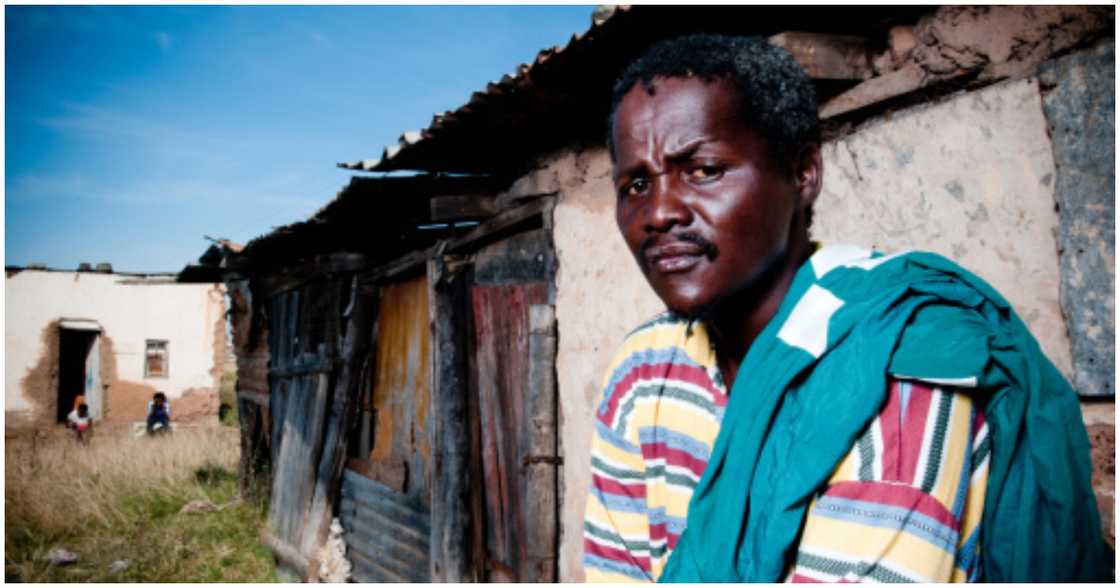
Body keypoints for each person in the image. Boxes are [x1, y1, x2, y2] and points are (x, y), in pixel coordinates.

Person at [583, 34, 1110, 583]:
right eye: (635, 184)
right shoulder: (644, 371)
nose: (657, 213)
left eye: (704, 170)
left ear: (803, 174)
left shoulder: (896, 369)